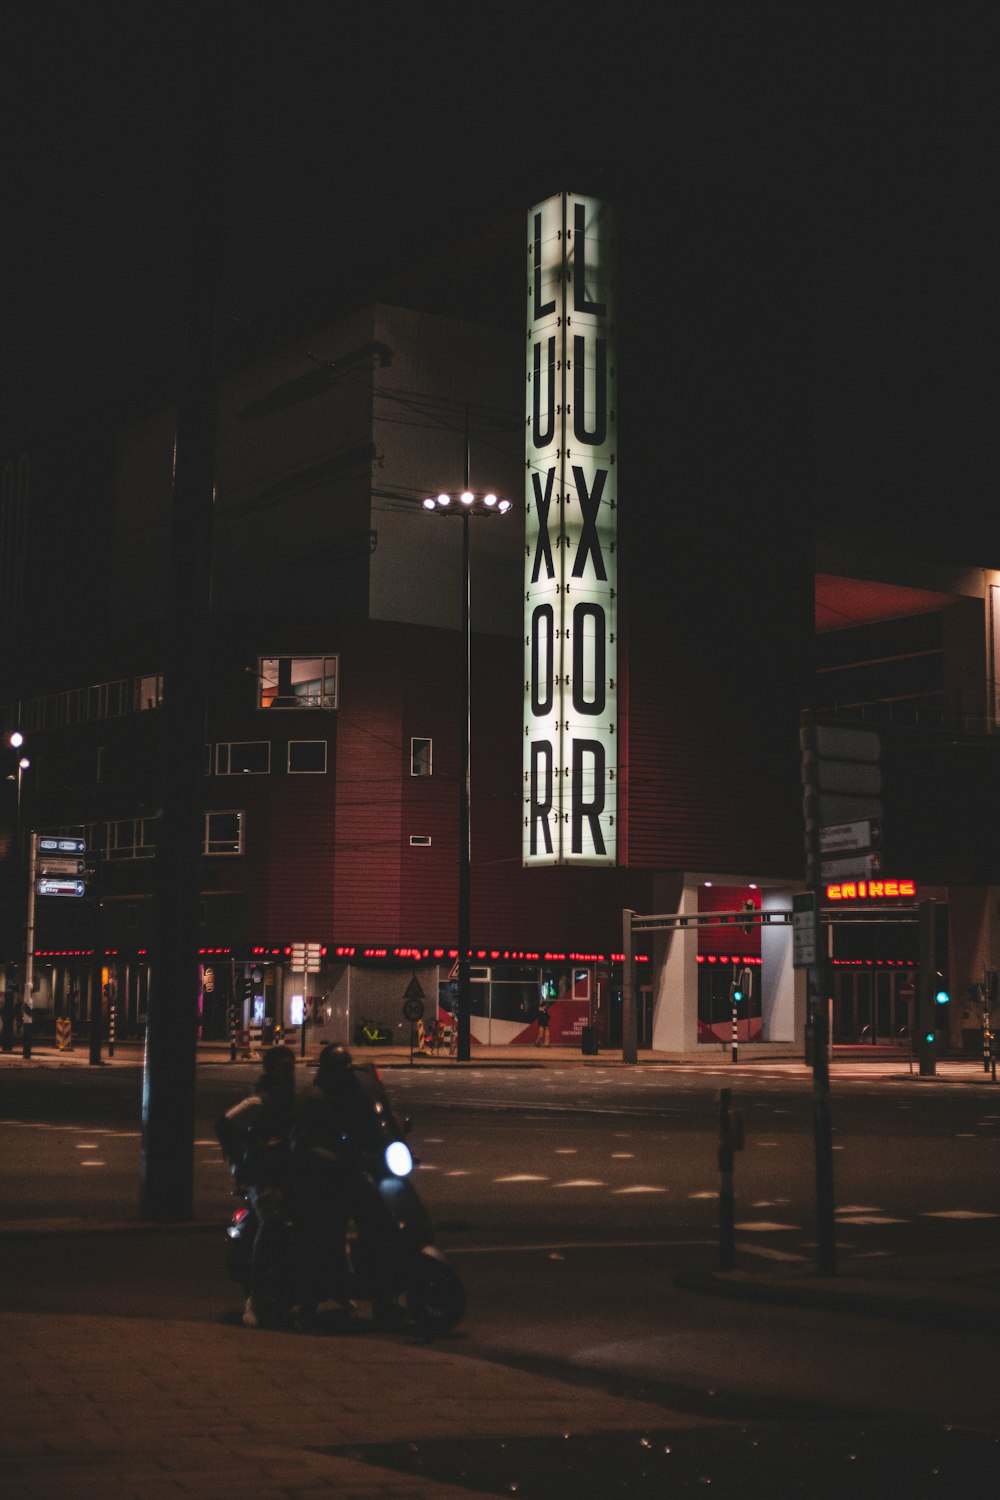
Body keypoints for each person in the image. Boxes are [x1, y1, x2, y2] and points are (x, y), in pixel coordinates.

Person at [292, 1043, 398, 1327]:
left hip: (357, 1173)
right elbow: (303, 1144)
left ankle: (383, 1299)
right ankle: (307, 1305)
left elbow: (375, 1126)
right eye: (340, 1067)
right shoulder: (314, 1099)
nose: (345, 1073)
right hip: (327, 1179)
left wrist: (391, 1143)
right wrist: (334, 1159)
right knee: (326, 1237)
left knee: (380, 1228)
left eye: (347, 1067)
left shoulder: (357, 1095)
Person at [216, 1044, 297, 1327]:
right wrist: (239, 1163)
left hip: (285, 1172)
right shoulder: (260, 1102)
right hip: (260, 1176)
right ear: (272, 1071)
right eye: (285, 1068)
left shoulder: (292, 1100)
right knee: (271, 1222)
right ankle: (256, 1297)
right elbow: (224, 1125)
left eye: (293, 1067)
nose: (290, 1073)